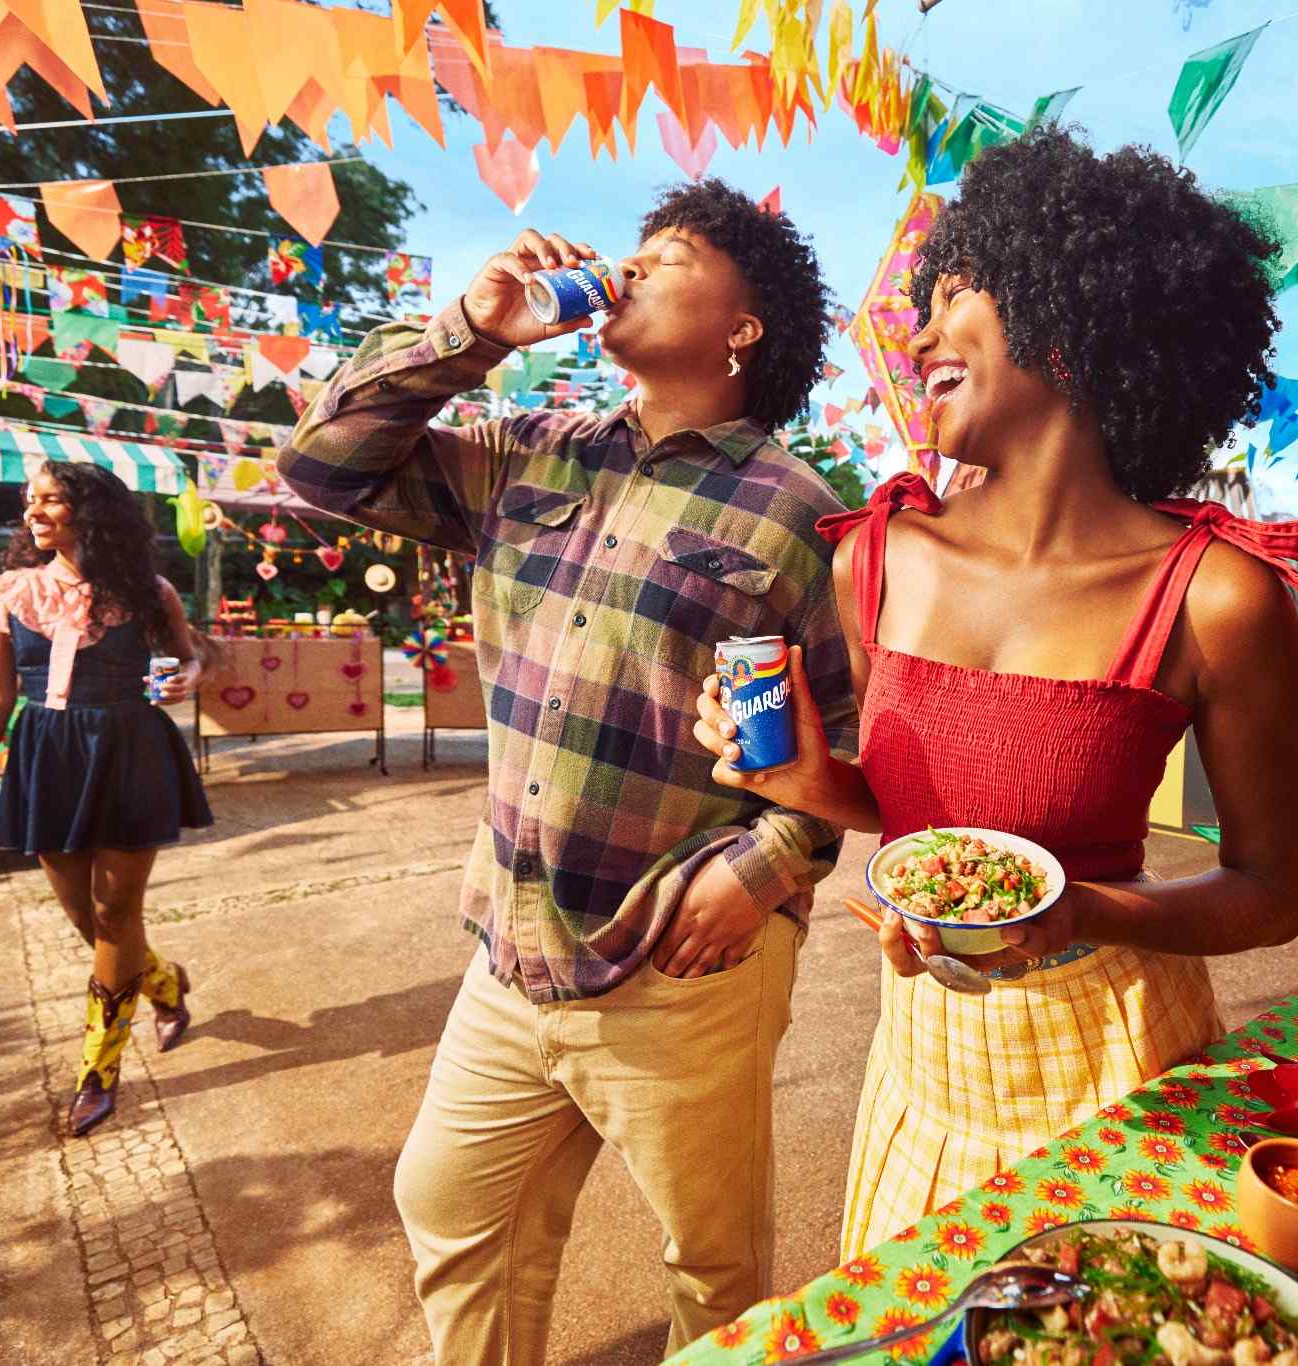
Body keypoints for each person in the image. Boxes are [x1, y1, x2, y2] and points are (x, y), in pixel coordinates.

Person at [693, 127, 1298, 1256]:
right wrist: (808, 782)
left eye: (953, 295)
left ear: (1070, 318)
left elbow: (1272, 892)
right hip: (925, 1057)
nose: (919, 330)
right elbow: (934, 825)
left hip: (1115, 1051)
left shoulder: (1216, 599)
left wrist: (1076, 911)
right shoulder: (873, 560)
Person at [279, 180, 856, 1361]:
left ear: (742, 327)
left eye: (669, 254)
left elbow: (847, 736)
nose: (631, 268)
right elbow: (322, 466)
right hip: (513, 941)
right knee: (448, 1203)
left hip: (683, 959)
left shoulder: (797, 514)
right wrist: (473, 332)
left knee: (712, 1265)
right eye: (631, 251)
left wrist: (767, 864)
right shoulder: (526, 455)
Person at [0, 461, 210, 1137]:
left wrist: (178, 682)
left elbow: (185, 659)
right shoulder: (8, 591)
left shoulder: (147, 591)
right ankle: (166, 984)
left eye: (51, 501)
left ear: (91, 512)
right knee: (88, 923)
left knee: (115, 912)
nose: (33, 512)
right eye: (29, 502)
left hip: (129, 748)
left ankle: (98, 1071)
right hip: (47, 753)